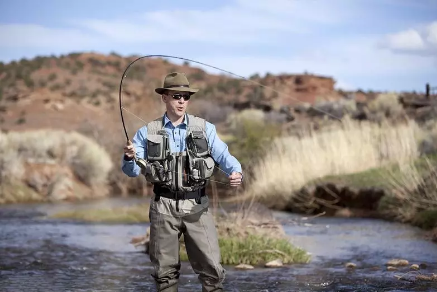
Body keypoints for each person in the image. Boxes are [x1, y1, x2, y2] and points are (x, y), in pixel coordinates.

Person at [121, 72, 243, 292]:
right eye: (176, 96)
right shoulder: (147, 132)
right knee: (164, 275)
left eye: (186, 96)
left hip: (198, 206)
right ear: (164, 97)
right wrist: (129, 157)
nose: (181, 101)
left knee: (213, 270)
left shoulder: (205, 128)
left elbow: (223, 155)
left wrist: (235, 171)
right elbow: (131, 171)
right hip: (163, 206)